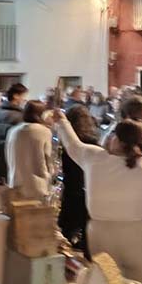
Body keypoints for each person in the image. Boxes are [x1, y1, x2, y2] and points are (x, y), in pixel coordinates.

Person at [54, 114, 142, 284]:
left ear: (118, 140)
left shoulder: (93, 157)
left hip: (101, 235)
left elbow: (72, 144)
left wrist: (61, 121)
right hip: (141, 236)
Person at [58, 106, 97, 255]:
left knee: (66, 231)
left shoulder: (66, 144)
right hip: (88, 191)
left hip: (70, 190)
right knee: (88, 235)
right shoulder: (93, 142)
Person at [5, 101, 53, 200]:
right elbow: (48, 159)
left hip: (15, 181)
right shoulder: (44, 131)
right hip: (37, 184)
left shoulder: (13, 130)